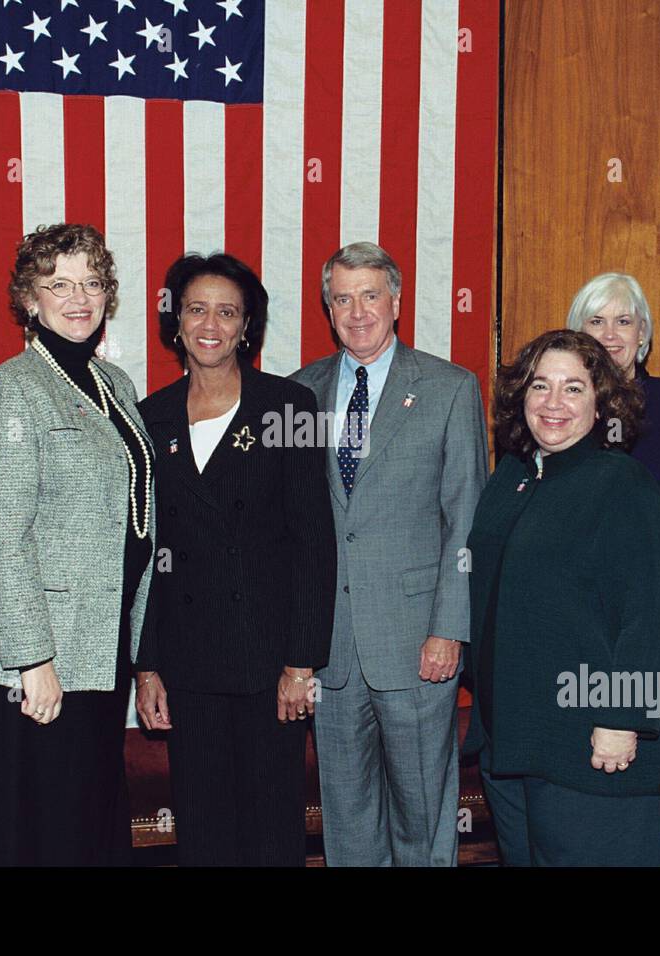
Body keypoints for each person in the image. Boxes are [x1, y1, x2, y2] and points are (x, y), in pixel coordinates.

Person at [0, 223, 154, 866]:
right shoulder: (10, 390)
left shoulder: (114, 384)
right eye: (59, 284)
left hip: (102, 648)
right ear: (29, 299)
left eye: (92, 283)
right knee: (38, 833)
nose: (79, 298)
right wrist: (32, 659)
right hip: (42, 665)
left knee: (87, 823)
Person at [291, 241, 488, 867]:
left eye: (370, 295)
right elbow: (296, 528)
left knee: (422, 813)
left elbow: (466, 521)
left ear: (396, 303)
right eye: (342, 298)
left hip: (417, 644)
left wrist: (449, 630)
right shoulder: (301, 392)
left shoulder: (449, 388)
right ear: (327, 308)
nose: (357, 311)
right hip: (332, 650)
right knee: (346, 818)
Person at [135, 253, 335, 866]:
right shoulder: (149, 418)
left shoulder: (290, 407)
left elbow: (313, 540)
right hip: (189, 666)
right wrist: (147, 667)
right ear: (176, 320)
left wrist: (301, 663)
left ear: (249, 325)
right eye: (197, 308)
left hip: (269, 664)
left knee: (272, 832)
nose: (211, 324)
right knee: (202, 831)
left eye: (228, 311)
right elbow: (143, 554)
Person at [464, 329, 660, 866]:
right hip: (515, 740)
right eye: (540, 385)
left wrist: (621, 719)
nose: (553, 403)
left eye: (573, 388)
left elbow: (651, 614)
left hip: (592, 745)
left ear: (602, 402)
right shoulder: (512, 477)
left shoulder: (624, 484)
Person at [567, 272, 660, 773]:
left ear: (643, 333)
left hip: (655, 617)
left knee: (645, 761)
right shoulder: (551, 406)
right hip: (572, 619)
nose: (610, 334)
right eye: (596, 321)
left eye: (623, 320)